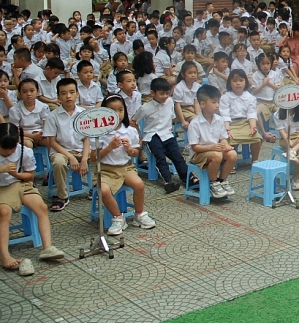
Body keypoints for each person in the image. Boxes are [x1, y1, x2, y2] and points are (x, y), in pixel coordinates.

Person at [0, 123, 66, 276]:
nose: (9, 152)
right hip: (2, 187)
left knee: (41, 207)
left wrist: (16, 175)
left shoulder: (25, 151)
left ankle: (47, 247)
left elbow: (29, 176)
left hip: (21, 183)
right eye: (5, 150)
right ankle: (5, 255)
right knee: (4, 212)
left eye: (12, 148)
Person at [95, 95, 156, 235]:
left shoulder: (130, 131)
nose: (117, 114)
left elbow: (135, 153)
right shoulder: (100, 133)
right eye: (112, 110)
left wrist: (129, 149)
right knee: (103, 190)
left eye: (120, 110)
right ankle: (118, 217)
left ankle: (139, 214)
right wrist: (109, 147)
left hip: (125, 167)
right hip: (105, 169)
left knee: (139, 184)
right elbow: (93, 158)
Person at [130, 78, 189, 193]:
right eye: (161, 94)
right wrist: (140, 137)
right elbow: (134, 121)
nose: (165, 96)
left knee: (177, 156)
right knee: (160, 157)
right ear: (153, 93)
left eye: (167, 93)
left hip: (167, 134)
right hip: (151, 135)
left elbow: (171, 118)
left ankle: (187, 178)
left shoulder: (170, 102)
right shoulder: (145, 107)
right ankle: (168, 181)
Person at [43, 78, 89, 212]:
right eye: (63, 93)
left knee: (101, 154)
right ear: (58, 97)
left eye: (71, 92)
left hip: (81, 148)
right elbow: (52, 142)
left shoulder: (83, 114)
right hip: (61, 150)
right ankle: (62, 196)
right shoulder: (53, 116)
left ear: (77, 94)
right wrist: (70, 157)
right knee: (58, 162)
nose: (68, 96)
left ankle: (96, 187)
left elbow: (87, 139)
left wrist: (85, 159)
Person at [187, 85, 238, 200]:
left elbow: (223, 138)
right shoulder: (195, 123)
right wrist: (213, 147)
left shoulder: (219, 120)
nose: (217, 105)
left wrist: (226, 145)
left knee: (232, 155)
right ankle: (213, 183)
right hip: (199, 154)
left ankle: (222, 180)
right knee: (217, 155)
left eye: (218, 102)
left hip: (215, 150)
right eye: (214, 102)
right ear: (203, 104)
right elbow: (195, 147)